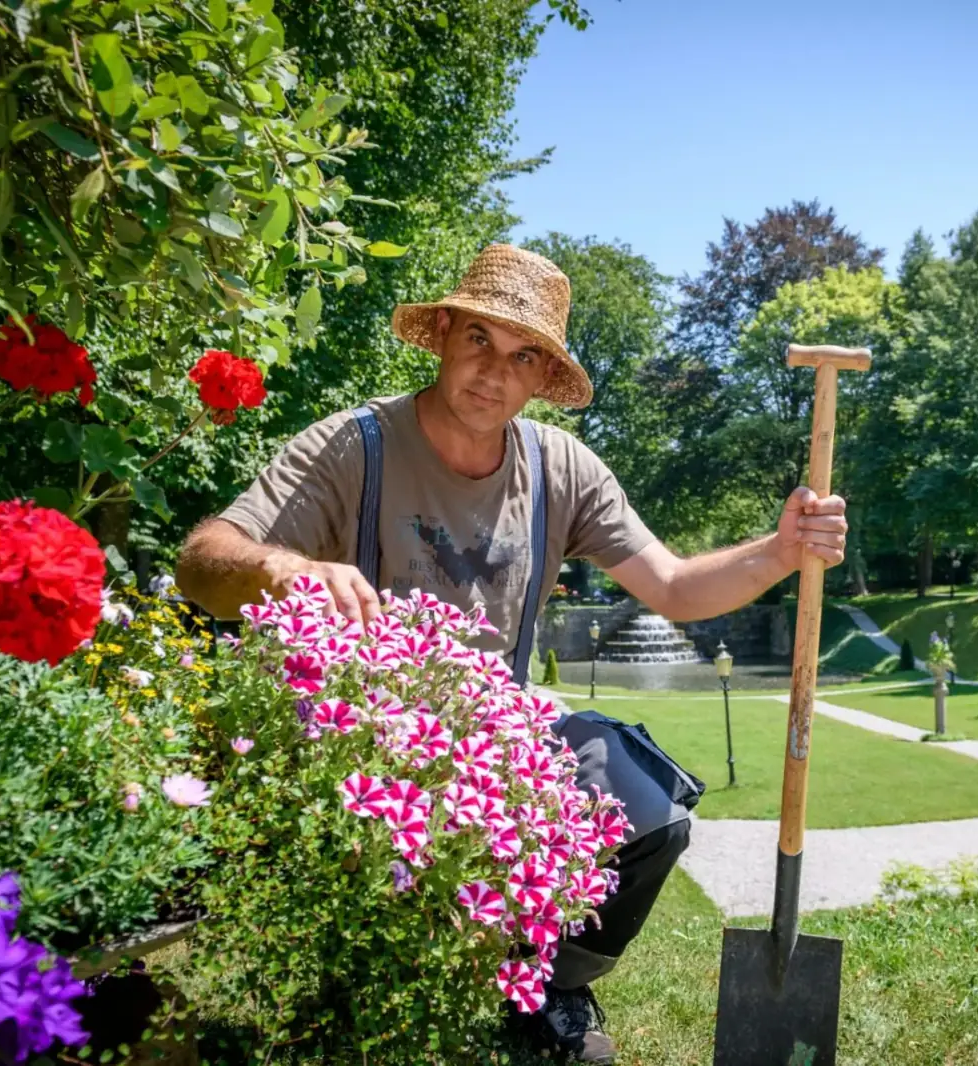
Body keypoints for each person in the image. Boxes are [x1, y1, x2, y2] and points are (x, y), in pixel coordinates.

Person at [174, 243, 848, 1063]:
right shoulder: (358, 446)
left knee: (649, 809)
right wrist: (280, 566)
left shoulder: (560, 467)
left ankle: (544, 988)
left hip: (503, 747)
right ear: (444, 334)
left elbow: (673, 586)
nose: (495, 373)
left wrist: (781, 552)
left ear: (542, 378)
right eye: (479, 342)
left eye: (523, 355)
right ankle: (357, 993)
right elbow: (203, 560)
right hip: (364, 748)